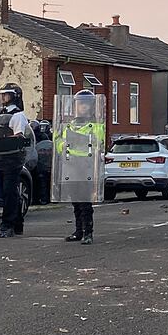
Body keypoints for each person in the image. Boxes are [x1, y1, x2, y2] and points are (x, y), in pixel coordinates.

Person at [56, 90, 105, 245]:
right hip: (71, 166)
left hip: (86, 166)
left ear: (91, 106)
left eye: (85, 104)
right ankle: (78, 231)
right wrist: (63, 145)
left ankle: (88, 232)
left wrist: (79, 140)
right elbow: (59, 144)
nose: (82, 107)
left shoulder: (95, 126)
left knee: (85, 201)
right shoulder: (69, 126)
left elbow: (98, 143)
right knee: (75, 201)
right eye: (79, 104)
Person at [0, 82, 31, 238]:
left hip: (13, 158)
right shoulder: (1, 114)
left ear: (14, 97)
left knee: (9, 192)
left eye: (5, 95)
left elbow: (19, 136)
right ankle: (17, 223)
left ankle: (7, 225)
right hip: (1, 157)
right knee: (9, 192)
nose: (2, 98)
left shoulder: (17, 115)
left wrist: (4, 139)